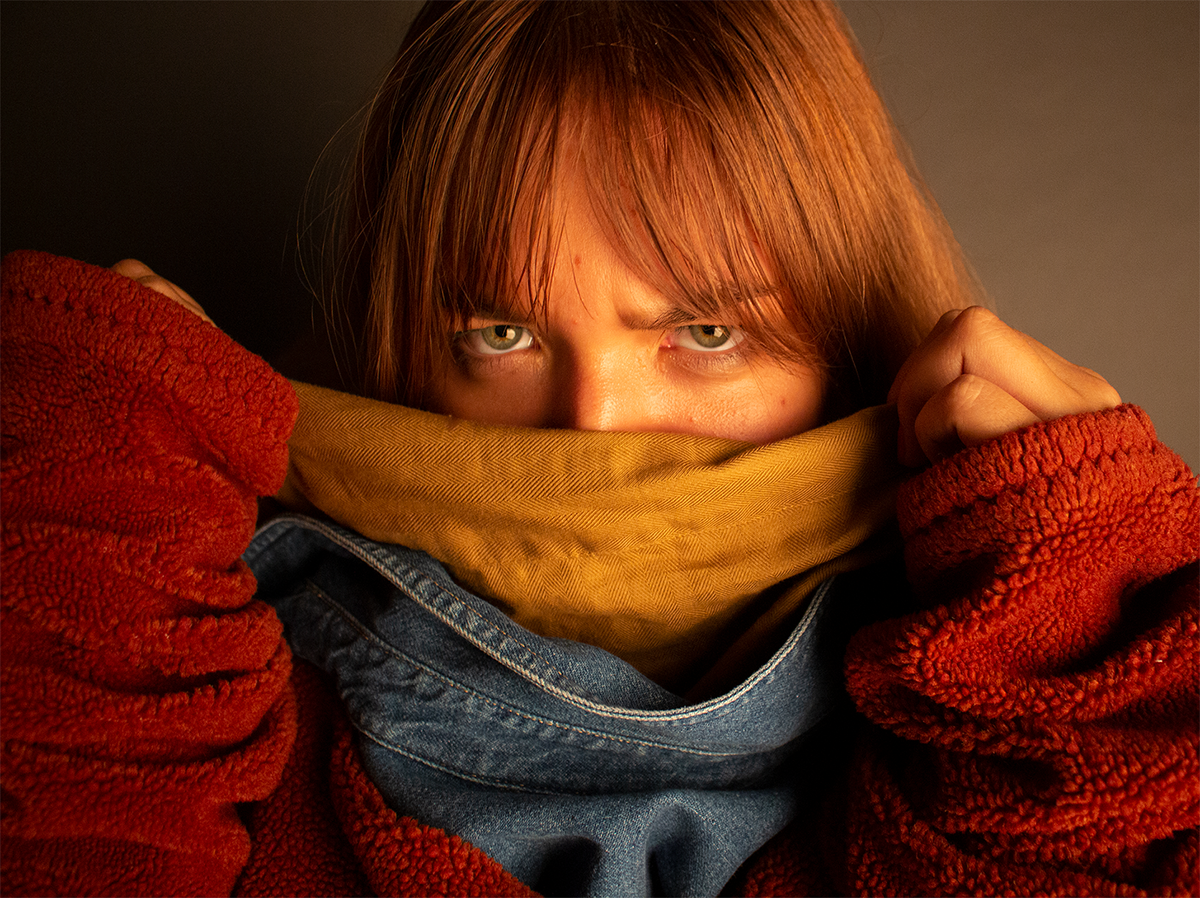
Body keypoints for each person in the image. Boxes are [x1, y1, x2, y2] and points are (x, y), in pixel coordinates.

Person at [1, 0, 1196, 896]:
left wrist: (1088, 629)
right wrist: (106, 521)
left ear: (846, 346)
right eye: (504, 332)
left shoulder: (982, 743)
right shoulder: (218, 702)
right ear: (404, 358)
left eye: (708, 330)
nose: (594, 428)